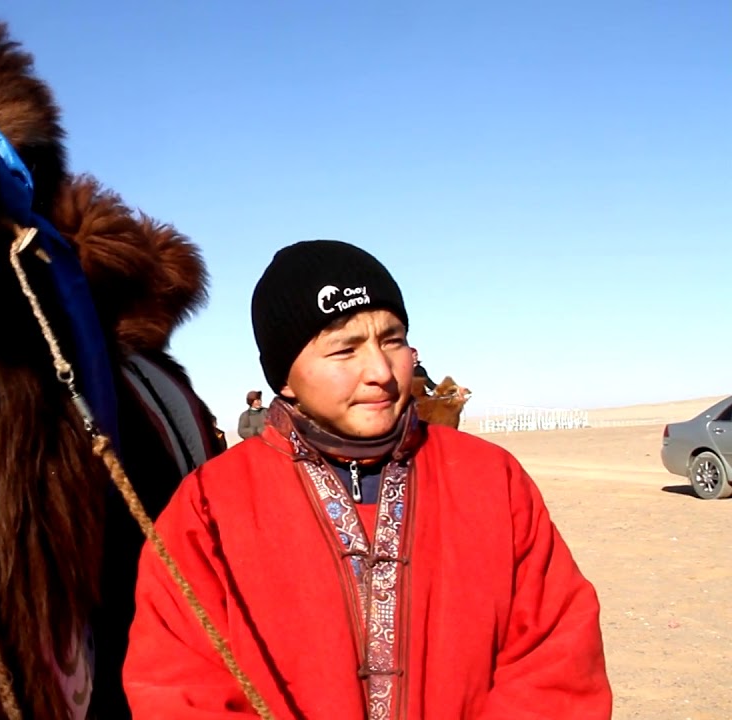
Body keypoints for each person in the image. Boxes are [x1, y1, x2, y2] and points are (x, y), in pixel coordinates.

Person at [123, 240, 611, 718]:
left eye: (392, 340)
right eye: (344, 349)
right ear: (285, 376)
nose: (380, 370)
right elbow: (177, 685)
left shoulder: (491, 479)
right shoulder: (210, 506)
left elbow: (556, 663)